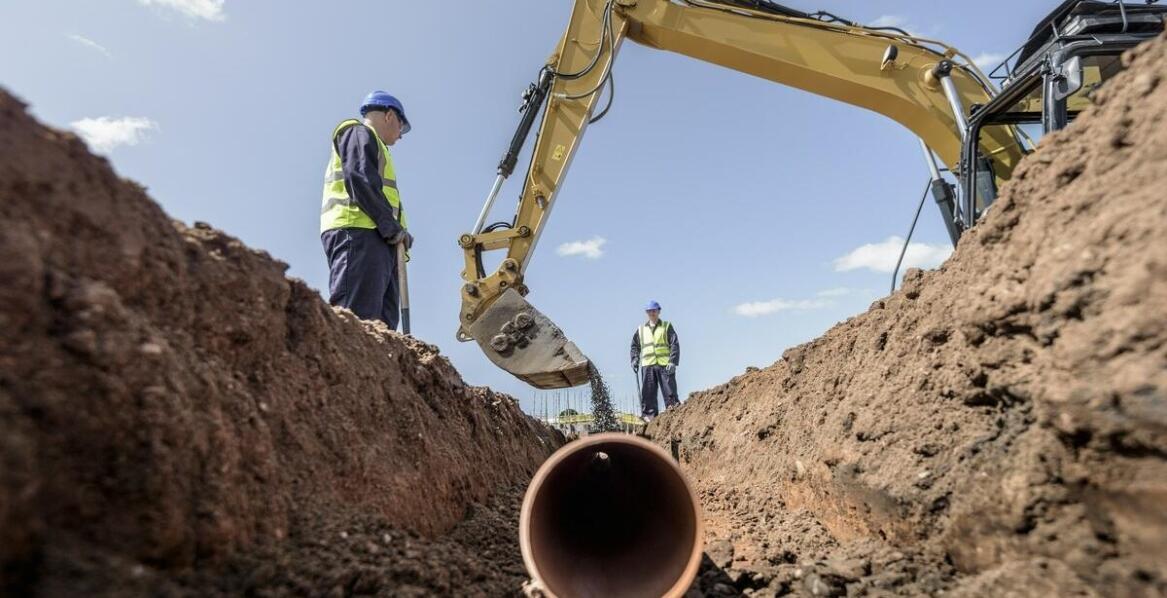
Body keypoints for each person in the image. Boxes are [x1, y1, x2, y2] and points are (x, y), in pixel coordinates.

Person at [320, 90, 414, 329]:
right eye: (401, 128)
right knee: (357, 317)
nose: (400, 136)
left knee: (383, 324)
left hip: (381, 237)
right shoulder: (357, 132)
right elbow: (360, 180)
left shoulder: (379, 148)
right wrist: (391, 227)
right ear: (390, 115)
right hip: (358, 231)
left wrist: (397, 231)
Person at [630, 300, 680, 420]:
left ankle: (674, 414)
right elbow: (635, 346)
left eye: (654, 310)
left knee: (670, 392)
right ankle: (649, 417)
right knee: (648, 393)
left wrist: (673, 361)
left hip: (665, 365)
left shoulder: (666, 326)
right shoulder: (641, 329)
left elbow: (674, 344)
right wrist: (634, 359)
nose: (652, 313)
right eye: (649, 311)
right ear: (646, 313)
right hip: (648, 365)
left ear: (659, 311)